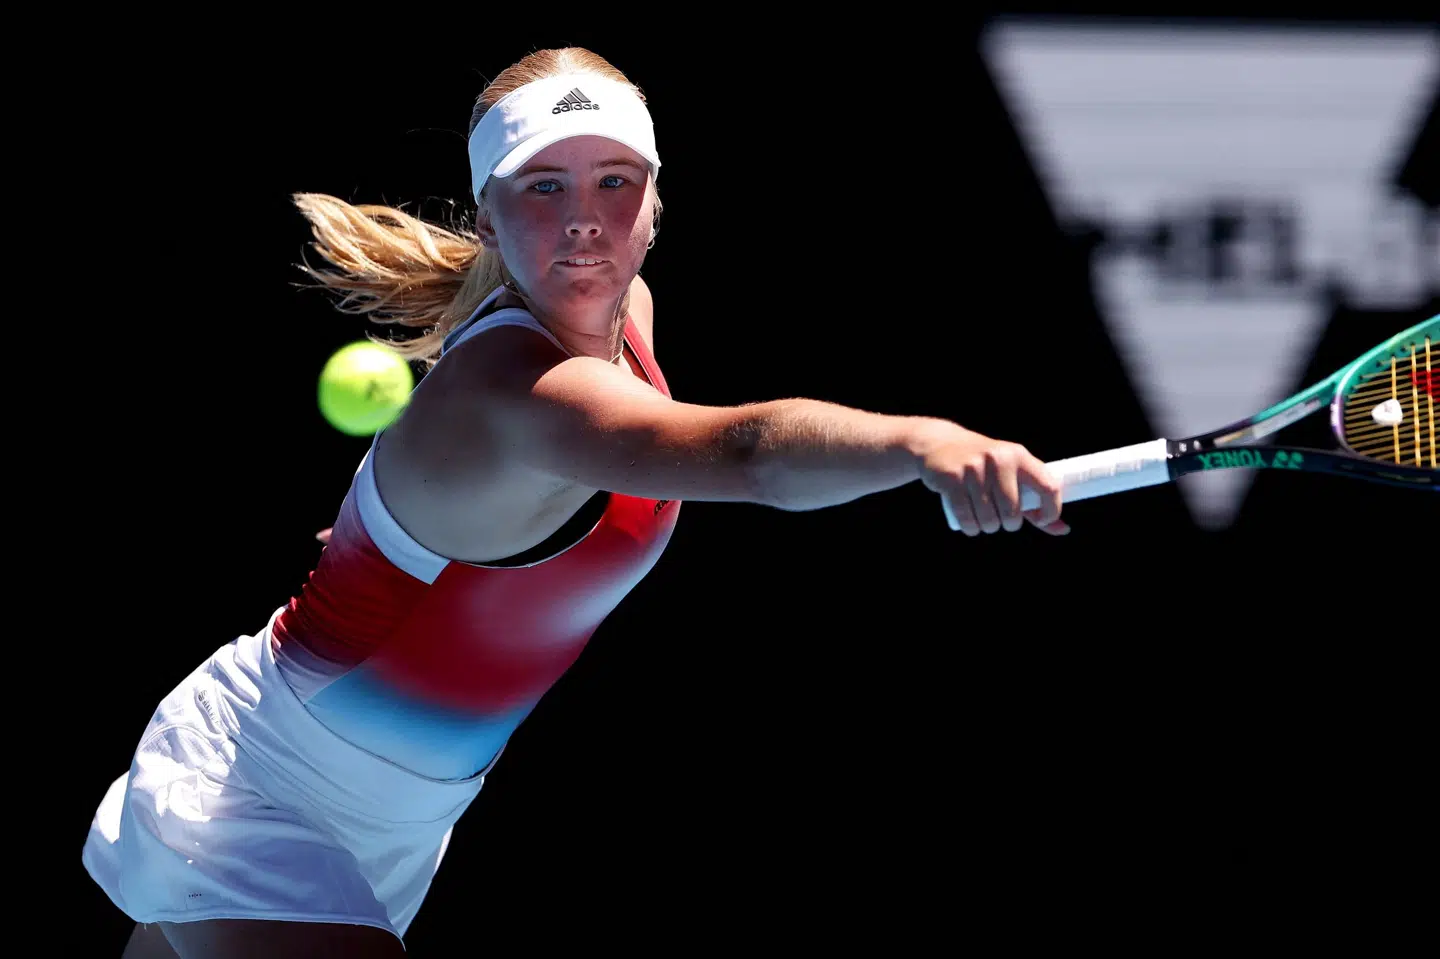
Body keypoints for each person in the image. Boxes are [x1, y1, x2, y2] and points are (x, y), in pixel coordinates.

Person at [82, 46, 1070, 958]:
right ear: (489, 215)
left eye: (614, 181)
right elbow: (750, 453)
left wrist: (404, 531)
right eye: (545, 186)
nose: (585, 218)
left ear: (655, 204)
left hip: (405, 813)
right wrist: (921, 443)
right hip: (258, 787)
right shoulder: (517, 389)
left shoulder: (627, 313)